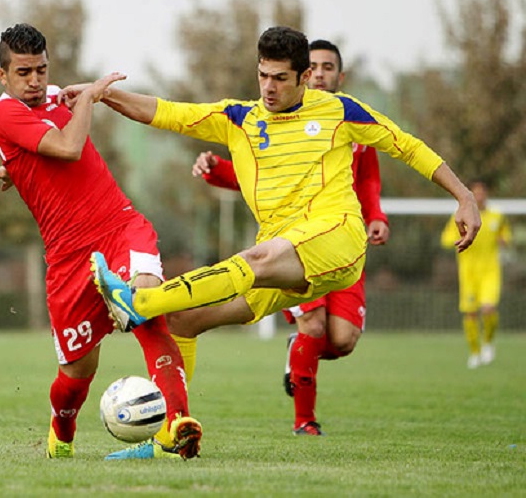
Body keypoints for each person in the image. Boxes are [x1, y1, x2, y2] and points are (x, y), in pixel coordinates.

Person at [76, 26, 480, 433]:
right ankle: (173, 429)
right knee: (184, 319)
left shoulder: (339, 111)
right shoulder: (239, 118)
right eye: (263, 75)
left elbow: (406, 145)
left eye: (280, 78)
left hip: (336, 240)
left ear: (304, 77)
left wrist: (463, 197)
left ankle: (140, 303)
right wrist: (99, 93)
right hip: (280, 258)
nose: (268, 87)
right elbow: (164, 111)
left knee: (260, 259)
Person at [0, 23, 201, 460]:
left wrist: (15, 169)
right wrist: (91, 98)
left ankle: (177, 426)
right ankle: (62, 431)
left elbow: (48, 149)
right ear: (3, 76)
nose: (35, 81)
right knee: (77, 373)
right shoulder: (2, 114)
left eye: (41, 69)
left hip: (118, 224)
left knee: (150, 306)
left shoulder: (57, 97)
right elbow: (68, 147)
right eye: (23, 73)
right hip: (67, 255)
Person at [190, 39, 390, 436]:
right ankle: (305, 423)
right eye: (313, 66)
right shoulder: (278, 119)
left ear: (340, 75)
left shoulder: (353, 122)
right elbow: (257, 179)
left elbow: (366, 179)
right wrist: (216, 171)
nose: (319, 73)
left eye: (327, 67)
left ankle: (296, 354)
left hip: (342, 242)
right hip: (293, 243)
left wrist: (377, 215)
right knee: (313, 324)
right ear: (302, 75)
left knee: (342, 339)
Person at [441, 179, 511, 369]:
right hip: (468, 273)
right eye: (475, 192)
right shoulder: (461, 215)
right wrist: (459, 238)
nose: (479, 195)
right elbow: (446, 239)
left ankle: (488, 342)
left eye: (482, 192)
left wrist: (503, 240)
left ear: (486, 194)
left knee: (488, 308)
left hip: (490, 271)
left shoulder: (498, 216)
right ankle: (474, 352)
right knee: (471, 314)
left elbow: (506, 237)